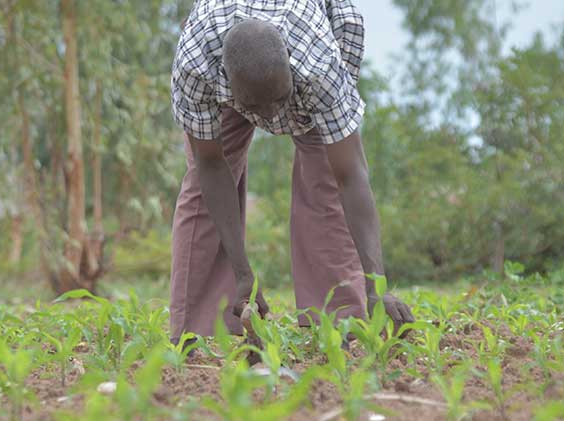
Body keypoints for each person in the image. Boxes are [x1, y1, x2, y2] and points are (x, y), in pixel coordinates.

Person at [168, 0, 415, 343]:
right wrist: (243, 274)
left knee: (325, 178)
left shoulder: (320, 63)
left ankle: (342, 321)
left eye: (278, 101)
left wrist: (377, 285)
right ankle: (199, 329)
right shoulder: (196, 66)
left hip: (311, 57)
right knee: (201, 187)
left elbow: (351, 175)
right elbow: (211, 165)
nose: (270, 119)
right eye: (256, 108)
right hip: (230, 72)